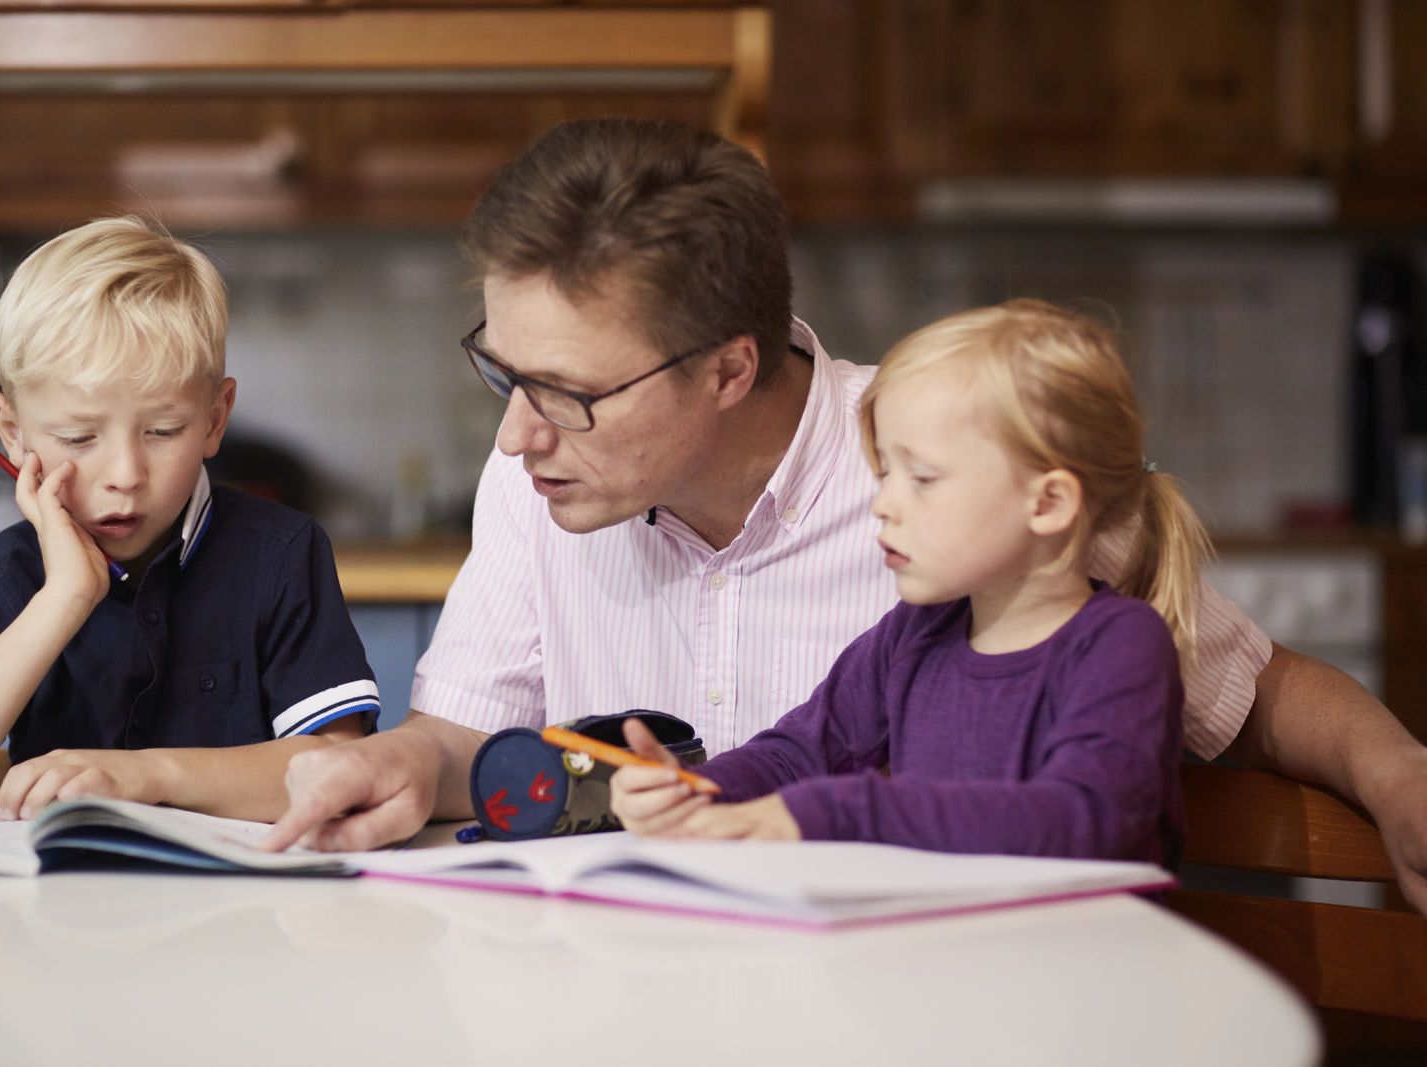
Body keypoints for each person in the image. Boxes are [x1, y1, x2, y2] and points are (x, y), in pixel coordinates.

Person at [262, 118, 1427, 914]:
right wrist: (409, 762)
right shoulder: (539, 481)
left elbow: (1249, 692)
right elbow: (476, 739)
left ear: (725, 368)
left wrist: (1397, 773)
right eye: (502, 374)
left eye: (569, 392)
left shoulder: (962, 473)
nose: (517, 435)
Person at [610, 299, 1197, 863]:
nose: (883, 505)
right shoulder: (915, 634)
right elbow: (795, 756)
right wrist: (694, 788)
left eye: (921, 478)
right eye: (884, 474)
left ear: (1047, 503)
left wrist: (840, 812)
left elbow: (1082, 819)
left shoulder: (1120, 645)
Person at [0, 217, 380, 821]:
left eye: (163, 431)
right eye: (78, 436)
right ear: (11, 433)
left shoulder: (279, 553)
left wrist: (146, 776)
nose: (125, 474)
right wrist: (64, 597)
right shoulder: (1, 576)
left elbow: (337, 769)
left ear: (215, 419)